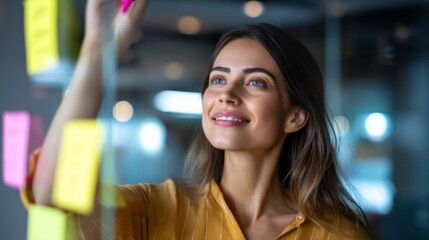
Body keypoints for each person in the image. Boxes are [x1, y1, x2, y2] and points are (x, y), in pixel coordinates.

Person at [22, 0, 373, 239]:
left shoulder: (337, 234)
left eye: (255, 82)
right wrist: (98, 53)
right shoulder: (159, 209)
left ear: (295, 116)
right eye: (218, 79)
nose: (226, 93)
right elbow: (52, 191)